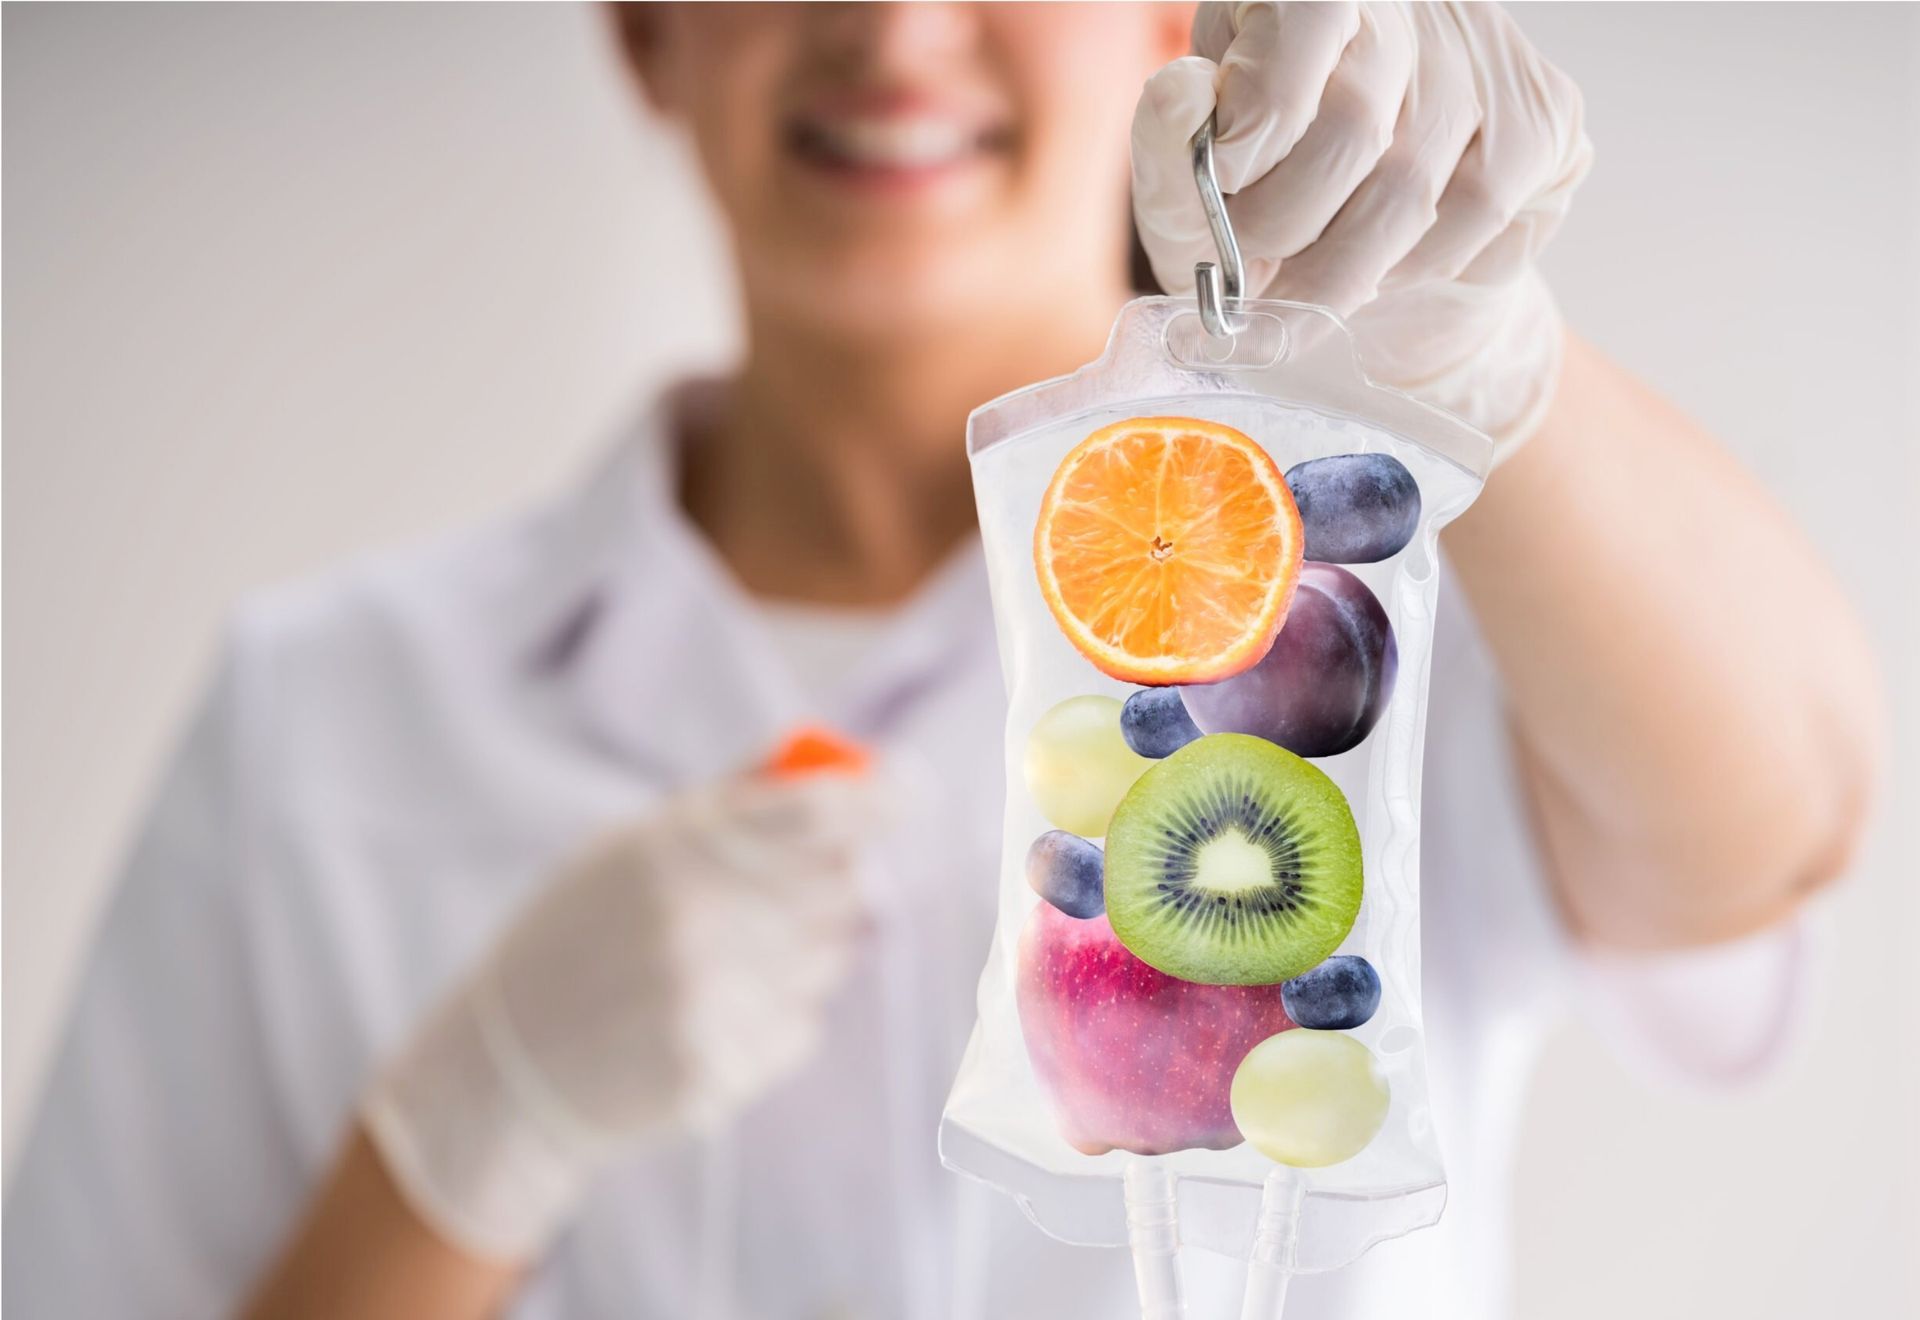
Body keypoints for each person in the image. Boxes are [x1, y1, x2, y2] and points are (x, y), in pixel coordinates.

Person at [5, 4, 1884, 1318]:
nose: (893, 27)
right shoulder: (329, 712)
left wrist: (1499, 374)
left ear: (1178, 18)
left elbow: (1787, 828)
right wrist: (465, 1145)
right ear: (648, 32)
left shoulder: (1378, 606)